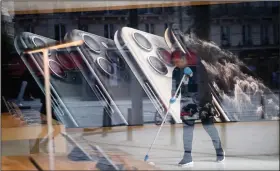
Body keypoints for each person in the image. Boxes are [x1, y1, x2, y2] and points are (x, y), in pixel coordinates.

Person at [170, 48, 225, 167]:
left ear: (184, 59)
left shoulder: (197, 67)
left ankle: (219, 151)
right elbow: (175, 86)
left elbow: (201, 85)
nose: (176, 64)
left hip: (203, 100)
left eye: (177, 61)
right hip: (187, 102)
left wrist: (190, 76)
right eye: (174, 62)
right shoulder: (176, 71)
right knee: (188, 128)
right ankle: (187, 156)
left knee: (209, 126)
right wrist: (173, 95)